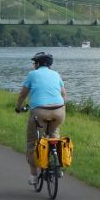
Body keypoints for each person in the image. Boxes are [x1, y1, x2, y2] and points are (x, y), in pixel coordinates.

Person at [15, 52, 67, 186]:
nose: (33, 65)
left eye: (34, 63)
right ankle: (57, 166)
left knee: (33, 142)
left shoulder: (32, 75)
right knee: (54, 135)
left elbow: (23, 94)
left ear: (38, 64)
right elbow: (64, 95)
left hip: (40, 111)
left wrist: (18, 107)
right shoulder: (56, 74)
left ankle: (33, 175)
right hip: (59, 111)